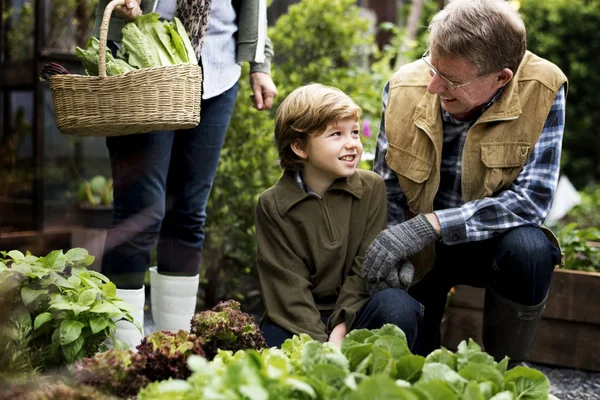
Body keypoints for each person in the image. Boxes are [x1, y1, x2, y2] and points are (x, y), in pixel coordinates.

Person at [362, 0, 567, 365]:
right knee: (414, 366)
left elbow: (531, 200)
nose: (435, 86)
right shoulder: (405, 86)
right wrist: (394, 244)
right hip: (422, 253)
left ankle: (507, 370)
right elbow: (387, 190)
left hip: (490, 245)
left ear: (501, 78)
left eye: (453, 80)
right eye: (433, 67)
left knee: (531, 250)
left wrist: (435, 224)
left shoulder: (543, 87)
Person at [91, 0, 278, 348]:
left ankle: (173, 349)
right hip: (140, 54)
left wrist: (259, 61)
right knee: (141, 211)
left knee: (189, 212)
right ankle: (120, 352)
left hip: (217, 66)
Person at [255, 84, 423, 348]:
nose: (352, 144)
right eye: (336, 134)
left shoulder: (371, 188)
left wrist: (341, 330)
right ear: (300, 147)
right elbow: (288, 284)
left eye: (355, 133)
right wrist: (319, 345)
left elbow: (365, 268)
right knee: (273, 347)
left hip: (356, 310)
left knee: (398, 306)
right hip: (296, 316)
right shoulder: (273, 204)